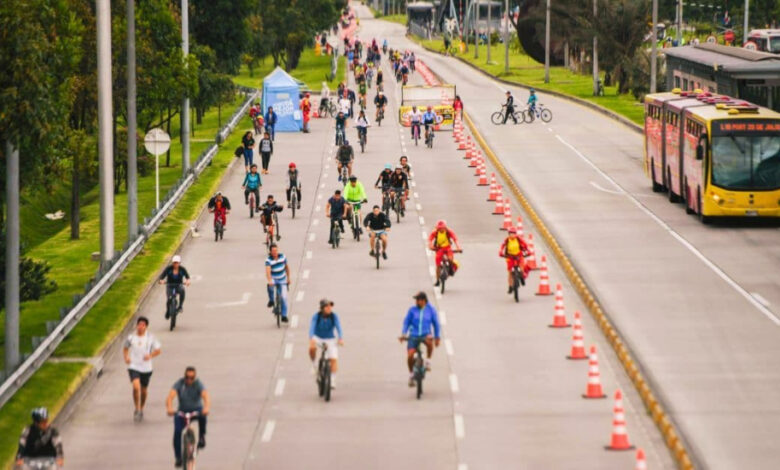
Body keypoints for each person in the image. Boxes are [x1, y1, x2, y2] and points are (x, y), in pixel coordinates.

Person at [166, 367, 210, 468]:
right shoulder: (180, 384)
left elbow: (205, 396)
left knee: (203, 416)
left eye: (192, 378)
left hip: (196, 411)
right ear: (184, 376)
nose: (189, 380)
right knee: (177, 432)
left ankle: (202, 437)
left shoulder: (198, 384)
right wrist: (169, 408)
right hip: (182, 412)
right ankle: (178, 457)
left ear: (195, 377)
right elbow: (170, 397)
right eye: (187, 377)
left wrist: (206, 407)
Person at [123, 316, 161, 422]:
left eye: (143, 325)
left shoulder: (150, 338)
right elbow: (125, 348)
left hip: (146, 367)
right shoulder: (131, 338)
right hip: (134, 366)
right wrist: (126, 357)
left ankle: (142, 407)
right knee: (136, 387)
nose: (140, 327)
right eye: (139, 325)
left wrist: (150, 355)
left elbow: (158, 350)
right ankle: (137, 408)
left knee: (144, 390)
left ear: (146, 327)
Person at [399, 292, 441, 386]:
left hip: (426, 335)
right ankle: (411, 375)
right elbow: (406, 322)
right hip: (413, 335)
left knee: (430, 343)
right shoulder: (412, 310)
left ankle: (428, 362)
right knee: (410, 356)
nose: (417, 302)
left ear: (424, 301)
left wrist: (437, 337)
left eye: (418, 300)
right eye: (416, 300)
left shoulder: (431, 310)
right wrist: (403, 334)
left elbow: (436, 324)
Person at [309, 299, 344, 389]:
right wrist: (311, 338)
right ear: (322, 308)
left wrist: (340, 338)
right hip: (318, 338)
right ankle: (314, 365)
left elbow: (338, 327)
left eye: (330, 306)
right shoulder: (316, 316)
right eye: (327, 306)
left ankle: (332, 380)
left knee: (333, 359)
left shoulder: (334, 316)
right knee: (311, 348)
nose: (329, 308)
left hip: (330, 339)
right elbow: (312, 328)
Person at [428, 220, 462, 286]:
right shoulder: (435, 232)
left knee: (450, 259)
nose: (441, 229)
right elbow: (430, 239)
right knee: (437, 264)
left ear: (445, 227)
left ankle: (451, 269)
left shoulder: (448, 232)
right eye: (439, 228)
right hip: (439, 249)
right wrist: (431, 246)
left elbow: (455, 239)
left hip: (448, 248)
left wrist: (458, 247)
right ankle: (437, 280)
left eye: (442, 227)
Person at [499, 227, 530, 293]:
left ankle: (521, 277)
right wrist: (501, 252)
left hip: (519, 256)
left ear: (515, 234)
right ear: (509, 234)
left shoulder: (518, 239)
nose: (512, 235)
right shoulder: (506, 240)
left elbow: (525, 245)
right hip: (510, 257)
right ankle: (510, 286)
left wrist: (528, 251)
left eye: (513, 233)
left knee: (522, 269)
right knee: (510, 272)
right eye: (511, 233)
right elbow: (502, 246)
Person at [265, 244, 290, 321]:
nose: (275, 252)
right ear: (270, 252)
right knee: (270, 287)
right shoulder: (268, 260)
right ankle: (272, 300)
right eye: (273, 251)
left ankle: (284, 316)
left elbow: (287, 268)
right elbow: (268, 271)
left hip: (282, 279)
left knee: (284, 298)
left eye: (276, 250)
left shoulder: (282, 257)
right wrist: (270, 280)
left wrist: (288, 278)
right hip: (274, 279)